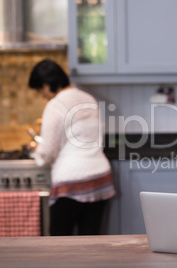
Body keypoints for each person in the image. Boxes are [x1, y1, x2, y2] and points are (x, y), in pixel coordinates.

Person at [28, 59, 115, 236]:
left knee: (59, 245)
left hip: (71, 181)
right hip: (100, 177)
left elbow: (47, 152)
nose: (42, 95)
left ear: (46, 85)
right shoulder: (88, 97)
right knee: (90, 243)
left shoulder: (56, 105)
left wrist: (36, 148)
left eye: (40, 90)